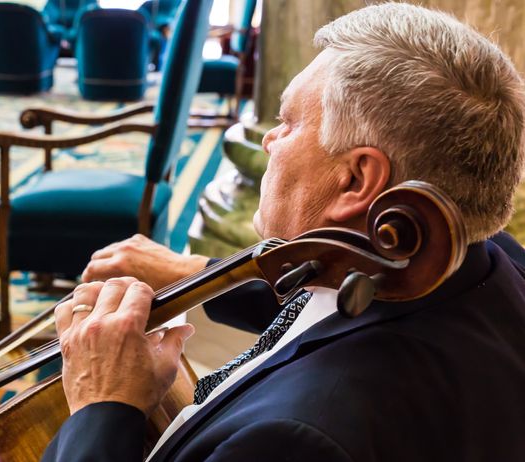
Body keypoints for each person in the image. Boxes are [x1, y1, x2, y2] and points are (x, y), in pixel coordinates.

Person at [42, 3, 525, 461]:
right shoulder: (478, 257)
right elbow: (336, 305)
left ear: (356, 180)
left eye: (287, 122)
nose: (269, 140)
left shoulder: (293, 440)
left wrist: (101, 407)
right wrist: (197, 273)